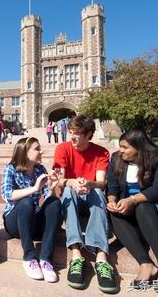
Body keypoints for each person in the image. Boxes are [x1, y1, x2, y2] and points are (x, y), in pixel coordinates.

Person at [106, 129, 158, 294]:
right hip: (127, 207)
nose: (121, 150)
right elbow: (112, 185)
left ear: (140, 148)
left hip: (154, 207)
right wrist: (112, 201)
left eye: (125, 147)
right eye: (120, 146)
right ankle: (146, 264)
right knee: (113, 211)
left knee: (142, 206)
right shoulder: (117, 158)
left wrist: (132, 200)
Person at [53, 115, 116, 293]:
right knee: (66, 190)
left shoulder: (101, 152)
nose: (71, 137)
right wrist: (73, 183)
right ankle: (76, 253)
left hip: (90, 194)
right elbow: (60, 180)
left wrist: (89, 184)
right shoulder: (62, 148)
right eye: (70, 132)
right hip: (71, 193)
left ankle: (102, 258)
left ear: (88, 134)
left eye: (77, 134)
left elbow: (101, 183)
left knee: (97, 191)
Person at [1, 137, 63, 282]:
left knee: (54, 202)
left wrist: (52, 189)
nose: (41, 151)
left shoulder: (40, 169)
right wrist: (34, 188)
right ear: (24, 152)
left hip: (33, 221)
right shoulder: (10, 169)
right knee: (26, 202)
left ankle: (45, 260)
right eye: (37, 149)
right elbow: (7, 194)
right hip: (14, 222)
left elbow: (47, 198)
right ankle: (29, 258)